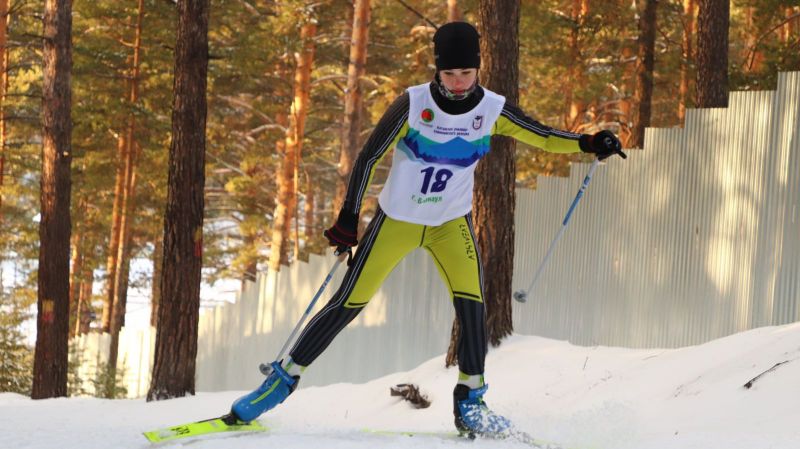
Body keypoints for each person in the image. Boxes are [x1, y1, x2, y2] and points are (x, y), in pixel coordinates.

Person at [230, 21, 625, 435]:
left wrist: (588, 142)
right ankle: (279, 383)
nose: (458, 82)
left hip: (449, 223)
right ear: (437, 69)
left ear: (478, 68)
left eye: (466, 72)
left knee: (473, 305)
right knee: (347, 303)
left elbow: (542, 135)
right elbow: (368, 157)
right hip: (397, 221)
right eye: (449, 73)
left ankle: (470, 402)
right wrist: (349, 217)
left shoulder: (492, 108)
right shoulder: (413, 103)